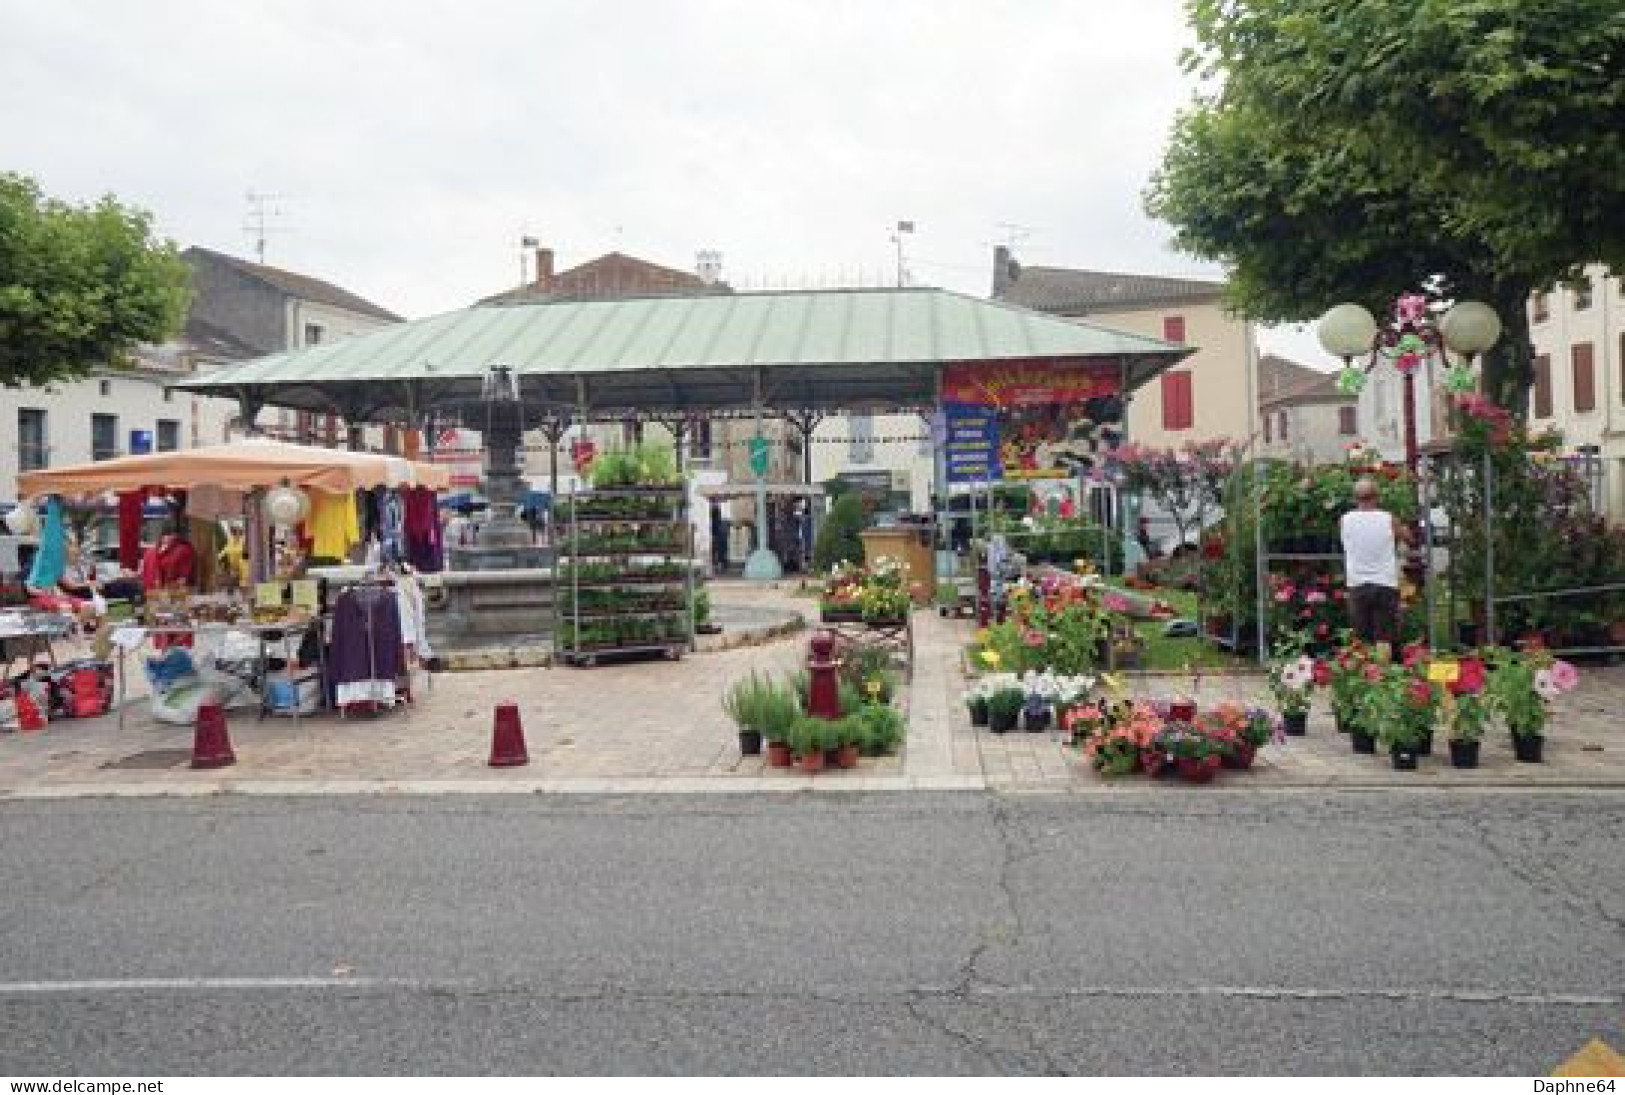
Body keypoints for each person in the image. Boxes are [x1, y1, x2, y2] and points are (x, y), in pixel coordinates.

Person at [1340, 477, 1410, 648]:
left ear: (1355, 498)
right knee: (1384, 637)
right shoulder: (1388, 519)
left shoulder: (1345, 520)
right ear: (1376, 497)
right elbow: (1408, 538)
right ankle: (1384, 672)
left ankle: (1365, 671)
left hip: (1357, 583)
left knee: (1362, 637)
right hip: (1385, 582)